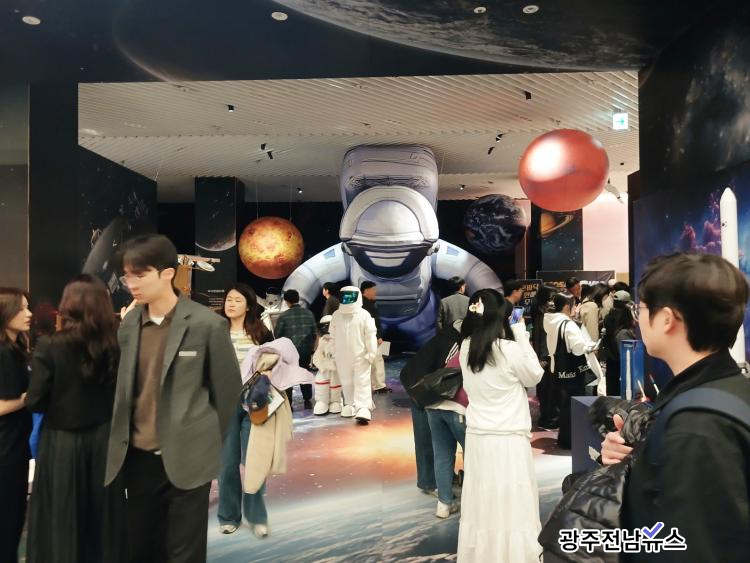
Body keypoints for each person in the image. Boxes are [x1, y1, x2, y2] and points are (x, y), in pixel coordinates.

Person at [601, 253, 750, 562]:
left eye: (641, 309)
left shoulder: (697, 426)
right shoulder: (722, 393)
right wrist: (641, 460)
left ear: (667, 319)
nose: (637, 318)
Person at [104, 234, 241, 563]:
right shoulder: (129, 325)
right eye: (127, 275)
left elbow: (228, 393)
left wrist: (200, 438)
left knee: (184, 553)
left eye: (140, 275)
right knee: (140, 549)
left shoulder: (207, 325)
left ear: (167, 273)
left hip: (188, 458)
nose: (131, 284)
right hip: (138, 459)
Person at [25, 275, 120, 563]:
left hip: (61, 443)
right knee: (102, 516)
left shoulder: (50, 346)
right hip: (104, 441)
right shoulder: (114, 346)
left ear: (68, 304)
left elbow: (35, 400)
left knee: (61, 514)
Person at [457, 289, 544, 562]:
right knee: (513, 501)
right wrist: (520, 333)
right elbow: (535, 375)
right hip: (508, 439)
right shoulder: (508, 349)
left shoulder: (466, 347)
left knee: (482, 501)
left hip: (478, 437)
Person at [217, 284, 274, 538]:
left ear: (249, 306)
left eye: (237, 300)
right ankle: (228, 516)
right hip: (224, 403)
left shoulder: (261, 332)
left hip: (254, 403)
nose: (230, 304)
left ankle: (257, 517)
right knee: (227, 464)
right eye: (228, 299)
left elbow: (273, 363)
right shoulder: (216, 331)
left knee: (254, 463)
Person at [0, 288, 33, 563]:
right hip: (6, 451)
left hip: (14, 447)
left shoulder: (15, 349)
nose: (29, 313)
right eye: (21, 308)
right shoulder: (4, 353)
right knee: (8, 522)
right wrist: (33, 395)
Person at [544, 293, 597, 449]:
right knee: (573, 405)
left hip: (557, 368)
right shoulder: (569, 324)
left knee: (565, 405)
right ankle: (572, 440)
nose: (576, 308)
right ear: (567, 306)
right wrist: (590, 347)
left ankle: (565, 439)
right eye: (574, 305)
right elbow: (578, 349)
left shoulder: (551, 322)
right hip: (571, 370)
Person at [424, 319, 466, 519]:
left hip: (435, 407)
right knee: (472, 455)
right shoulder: (481, 352)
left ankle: (443, 505)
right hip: (459, 409)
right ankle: (471, 502)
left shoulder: (458, 351)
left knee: (442, 456)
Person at [329, 286, 377, 423]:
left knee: (362, 381)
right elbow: (332, 336)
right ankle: (349, 403)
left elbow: (370, 335)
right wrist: (333, 352)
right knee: (346, 381)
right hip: (342, 356)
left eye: (350, 296)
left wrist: (371, 353)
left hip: (361, 356)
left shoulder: (364, 315)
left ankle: (363, 407)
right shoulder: (336, 315)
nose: (347, 299)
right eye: (345, 296)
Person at [275, 289, 317, 409]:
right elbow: (314, 333)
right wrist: (311, 348)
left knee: (288, 375)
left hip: (289, 352)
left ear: (286, 301)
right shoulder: (309, 314)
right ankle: (307, 398)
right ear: (298, 299)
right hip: (305, 351)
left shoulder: (283, 316)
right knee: (304, 372)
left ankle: (289, 403)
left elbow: (278, 335)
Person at [531, 284, 560, 430]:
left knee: (545, 390)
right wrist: (545, 358)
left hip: (542, 357)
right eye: (552, 298)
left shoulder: (539, 312)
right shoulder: (545, 315)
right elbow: (544, 338)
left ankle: (546, 418)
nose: (553, 301)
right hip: (547, 358)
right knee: (550, 390)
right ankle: (550, 420)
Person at [601, 290, 637, 396]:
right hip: (625, 359)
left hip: (611, 357)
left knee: (612, 388)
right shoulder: (628, 317)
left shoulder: (608, 317)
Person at [360, 281, 389, 393]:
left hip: (371, 337)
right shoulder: (365, 305)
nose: (375, 292)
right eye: (373, 290)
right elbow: (372, 323)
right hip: (371, 337)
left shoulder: (369, 303)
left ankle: (377, 385)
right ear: (366, 290)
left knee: (376, 360)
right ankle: (379, 385)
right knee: (377, 360)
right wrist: (378, 336)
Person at [311, 315, 342, 416]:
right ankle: (322, 401)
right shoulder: (322, 340)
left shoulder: (339, 340)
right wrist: (321, 364)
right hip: (324, 368)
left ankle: (335, 401)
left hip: (335, 368)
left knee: (335, 384)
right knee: (321, 382)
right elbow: (317, 355)